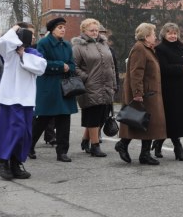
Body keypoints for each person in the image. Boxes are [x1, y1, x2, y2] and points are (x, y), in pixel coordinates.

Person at [0, 25, 47, 180]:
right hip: (11, 98)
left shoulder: (33, 53)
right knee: (13, 129)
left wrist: (24, 54)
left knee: (24, 132)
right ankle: (3, 160)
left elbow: (41, 67)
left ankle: (16, 163)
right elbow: (2, 42)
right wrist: (14, 29)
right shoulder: (9, 53)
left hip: (27, 99)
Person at [114, 23, 166, 165]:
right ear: (146, 35)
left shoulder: (148, 48)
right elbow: (136, 72)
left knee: (148, 123)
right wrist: (137, 93)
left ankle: (143, 153)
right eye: (154, 34)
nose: (155, 36)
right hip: (145, 93)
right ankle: (124, 145)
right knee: (139, 120)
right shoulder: (139, 49)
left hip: (151, 93)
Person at [30, 17, 78, 162]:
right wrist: (59, 65)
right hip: (48, 86)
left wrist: (68, 67)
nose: (63, 29)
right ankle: (28, 146)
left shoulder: (67, 45)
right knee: (42, 119)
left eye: (64, 27)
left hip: (64, 87)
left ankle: (62, 152)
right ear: (52, 29)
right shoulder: (43, 43)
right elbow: (41, 63)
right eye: (60, 27)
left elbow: (72, 64)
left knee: (64, 119)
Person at [152, 23, 183, 161]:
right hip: (169, 89)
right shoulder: (160, 49)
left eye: (175, 33)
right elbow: (163, 68)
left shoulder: (182, 47)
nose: (173, 36)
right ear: (164, 34)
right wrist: (182, 68)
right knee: (172, 118)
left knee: (176, 119)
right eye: (169, 33)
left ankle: (158, 142)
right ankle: (178, 148)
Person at [71, 18, 117, 157]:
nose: (95, 33)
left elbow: (112, 65)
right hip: (89, 86)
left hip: (106, 85)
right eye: (92, 30)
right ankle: (95, 146)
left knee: (101, 116)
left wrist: (114, 83)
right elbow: (74, 66)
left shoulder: (104, 44)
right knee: (93, 116)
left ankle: (86, 140)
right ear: (84, 31)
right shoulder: (78, 47)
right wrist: (86, 77)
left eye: (96, 30)